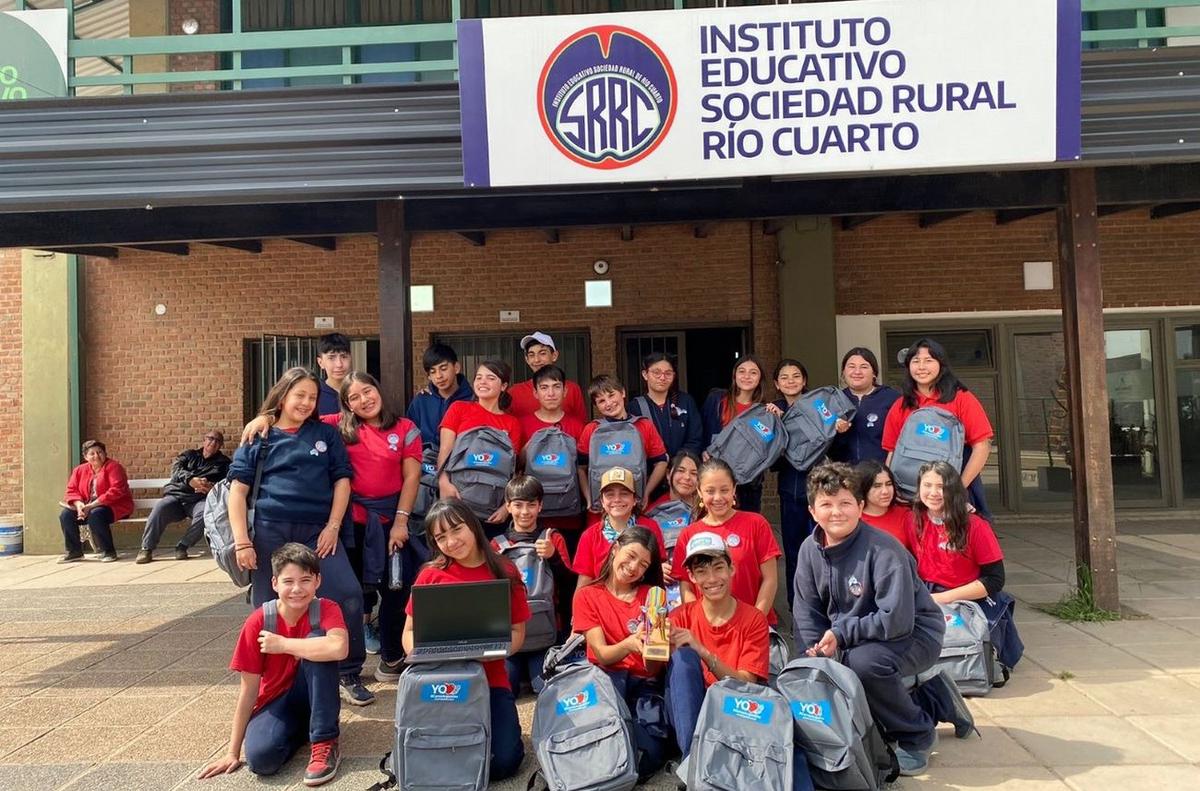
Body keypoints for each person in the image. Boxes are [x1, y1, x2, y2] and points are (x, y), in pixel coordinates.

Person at [226, 367, 369, 709]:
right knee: (268, 608)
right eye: (299, 395)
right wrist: (242, 542)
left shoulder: (325, 434)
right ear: (283, 396)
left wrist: (333, 526)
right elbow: (237, 491)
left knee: (348, 594)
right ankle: (275, 681)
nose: (305, 403)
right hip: (270, 531)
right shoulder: (259, 436)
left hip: (318, 532)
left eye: (312, 397)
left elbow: (342, 481)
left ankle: (348, 672)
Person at [793, 462, 945, 777]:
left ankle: (916, 735)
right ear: (812, 511)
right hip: (856, 635)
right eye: (827, 504)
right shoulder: (809, 549)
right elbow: (806, 610)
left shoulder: (884, 549)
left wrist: (841, 634)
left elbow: (897, 620)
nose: (837, 512)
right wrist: (812, 653)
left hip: (913, 634)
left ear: (861, 507)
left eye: (846, 503)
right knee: (814, 673)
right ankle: (921, 697)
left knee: (863, 665)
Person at [198, 543, 348, 786]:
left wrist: (284, 644)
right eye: (288, 581)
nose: (297, 589)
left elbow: (338, 648)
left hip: (310, 692)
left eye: (306, 580)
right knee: (262, 761)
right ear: (275, 583)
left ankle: (324, 741)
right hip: (275, 701)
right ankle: (303, 728)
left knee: (319, 642)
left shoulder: (326, 609)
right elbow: (248, 692)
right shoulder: (259, 621)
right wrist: (232, 752)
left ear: (318, 581)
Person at [403, 499, 529, 782]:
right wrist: (424, 656)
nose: (451, 541)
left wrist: (493, 651)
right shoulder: (430, 575)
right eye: (441, 537)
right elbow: (409, 632)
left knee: (504, 763)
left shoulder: (504, 571)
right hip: (441, 677)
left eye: (456, 530)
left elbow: (518, 633)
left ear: (472, 526)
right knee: (436, 756)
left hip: (490, 677)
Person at [571, 525, 670, 781]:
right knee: (603, 745)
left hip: (643, 683)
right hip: (606, 680)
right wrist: (630, 643)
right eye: (631, 555)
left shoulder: (653, 596)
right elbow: (601, 654)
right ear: (616, 549)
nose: (634, 566)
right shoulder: (587, 595)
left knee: (648, 755)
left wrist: (656, 646)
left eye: (644, 564)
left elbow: (653, 667)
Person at [906, 461, 1023, 674]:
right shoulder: (913, 519)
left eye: (941, 487)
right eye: (927, 485)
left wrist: (942, 599)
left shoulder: (976, 526)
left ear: (954, 490)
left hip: (969, 597)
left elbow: (994, 579)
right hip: (927, 593)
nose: (933, 492)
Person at [665, 532, 770, 757]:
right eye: (701, 571)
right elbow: (665, 676)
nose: (711, 579)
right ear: (692, 577)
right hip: (690, 711)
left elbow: (746, 684)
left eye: (718, 567)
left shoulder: (754, 619)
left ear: (732, 569)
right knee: (682, 659)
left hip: (733, 708)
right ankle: (692, 758)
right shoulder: (679, 616)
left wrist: (701, 650)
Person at [883, 338, 994, 518]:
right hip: (908, 495)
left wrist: (957, 488)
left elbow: (982, 446)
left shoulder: (961, 398)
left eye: (928, 360)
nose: (921, 367)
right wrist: (892, 489)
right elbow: (891, 452)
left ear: (941, 364)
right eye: (916, 361)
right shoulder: (901, 405)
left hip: (953, 493)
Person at [672, 458, 781, 625]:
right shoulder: (688, 534)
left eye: (724, 490)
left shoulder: (756, 524)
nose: (718, 498)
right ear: (700, 492)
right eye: (710, 491)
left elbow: (770, 579)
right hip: (709, 629)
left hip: (754, 625)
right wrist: (701, 623)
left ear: (734, 489)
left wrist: (755, 621)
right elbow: (686, 586)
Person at [493, 475, 572, 694]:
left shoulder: (552, 538)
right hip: (510, 638)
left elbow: (569, 586)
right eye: (518, 505)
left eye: (531, 505)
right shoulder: (497, 545)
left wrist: (554, 557)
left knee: (546, 689)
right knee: (506, 688)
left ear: (540, 506)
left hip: (545, 635)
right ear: (508, 506)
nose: (525, 512)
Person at [437, 360, 524, 528]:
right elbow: (445, 450)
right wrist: (443, 483)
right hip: (458, 499)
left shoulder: (512, 423)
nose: (482, 382)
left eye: (490, 378)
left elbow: (514, 470)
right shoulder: (459, 408)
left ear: (504, 386)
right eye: (478, 378)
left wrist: (507, 506)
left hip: (493, 507)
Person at [519, 364, 587, 552]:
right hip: (533, 518)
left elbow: (583, 469)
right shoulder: (523, 424)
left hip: (570, 516)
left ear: (565, 391)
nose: (551, 393)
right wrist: (534, 443)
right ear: (535, 393)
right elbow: (517, 466)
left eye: (556, 387)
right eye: (544, 387)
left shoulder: (578, 426)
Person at [577, 374, 669, 512]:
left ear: (623, 392)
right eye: (601, 401)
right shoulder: (591, 429)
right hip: (601, 507)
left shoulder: (644, 425)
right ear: (596, 406)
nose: (609, 403)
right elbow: (580, 468)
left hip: (636, 504)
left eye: (612, 395)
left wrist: (646, 493)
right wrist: (589, 497)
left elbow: (661, 462)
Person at [136, 430, 231, 564]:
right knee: (160, 507)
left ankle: (183, 546)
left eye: (217, 441)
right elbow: (176, 470)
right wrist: (190, 479)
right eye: (210, 438)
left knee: (206, 514)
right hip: (177, 497)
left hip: (199, 500)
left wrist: (212, 487)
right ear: (204, 440)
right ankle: (146, 548)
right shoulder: (189, 455)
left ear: (220, 445)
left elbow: (227, 484)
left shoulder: (224, 463)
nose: (213, 442)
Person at [573, 466, 669, 589]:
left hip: (642, 601)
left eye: (624, 494)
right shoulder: (589, 536)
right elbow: (583, 586)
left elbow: (658, 571)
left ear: (634, 499)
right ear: (602, 501)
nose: (617, 499)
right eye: (610, 494)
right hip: (602, 603)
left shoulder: (650, 527)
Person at [770, 358, 814, 607]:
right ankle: (796, 606)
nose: (790, 381)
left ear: (804, 380)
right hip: (789, 490)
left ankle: (821, 606)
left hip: (817, 490)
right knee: (794, 552)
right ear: (776, 383)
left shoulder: (816, 406)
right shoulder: (770, 410)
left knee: (820, 549)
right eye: (784, 377)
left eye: (796, 376)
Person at [701, 356, 769, 513]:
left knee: (746, 527)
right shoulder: (717, 400)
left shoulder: (764, 412)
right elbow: (703, 429)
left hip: (749, 481)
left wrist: (775, 419)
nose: (747, 376)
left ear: (760, 379)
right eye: (742, 371)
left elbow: (767, 445)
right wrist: (704, 450)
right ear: (734, 375)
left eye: (753, 372)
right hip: (716, 474)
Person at [58, 439, 133, 563]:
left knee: (96, 514)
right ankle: (74, 551)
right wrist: (78, 504)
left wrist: (92, 505)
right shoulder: (79, 470)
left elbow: (116, 490)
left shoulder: (114, 467)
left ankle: (108, 551)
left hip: (114, 506)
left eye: (100, 452)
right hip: (87, 506)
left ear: (105, 453)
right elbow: (71, 490)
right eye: (92, 453)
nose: (96, 456)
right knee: (65, 515)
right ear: (85, 456)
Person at [628, 352, 704, 473]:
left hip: (682, 473)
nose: (662, 378)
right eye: (656, 372)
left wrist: (676, 464)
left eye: (668, 373)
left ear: (674, 375)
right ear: (645, 374)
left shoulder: (686, 401)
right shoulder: (635, 407)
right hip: (649, 474)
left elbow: (695, 439)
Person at [829, 347, 901, 466]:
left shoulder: (892, 398)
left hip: (880, 473)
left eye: (864, 367)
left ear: (874, 373)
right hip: (843, 474)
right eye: (851, 366)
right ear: (843, 372)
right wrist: (838, 431)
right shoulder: (834, 400)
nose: (857, 372)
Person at [507, 331, 588, 423]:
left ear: (554, 355)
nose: (537, 360)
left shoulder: (572, 389)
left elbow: (581, 426)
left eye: (542, 353)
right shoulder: (515, 392)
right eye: (531, 355)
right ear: (527, 359)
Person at [406, 342, 473, 446]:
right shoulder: (421, 401)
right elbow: (409, 437)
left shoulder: (472, 400)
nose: (438, 376)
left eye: (443, 369)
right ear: (428, 376)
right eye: (433, 372)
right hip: (425, 459)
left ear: (456, 368)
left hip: (462, 459)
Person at [855, 460, 914, 551]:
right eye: (877, 486)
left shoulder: (905, 515)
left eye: (889, 484)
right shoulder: (852, 518)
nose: (885, 491)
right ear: (864, 487)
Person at [315, 333, 353, 418]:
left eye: (344, 356)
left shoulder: (360, 391)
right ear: (320, 362)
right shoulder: (314, 393)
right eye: (331, 358)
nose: (339, 364)